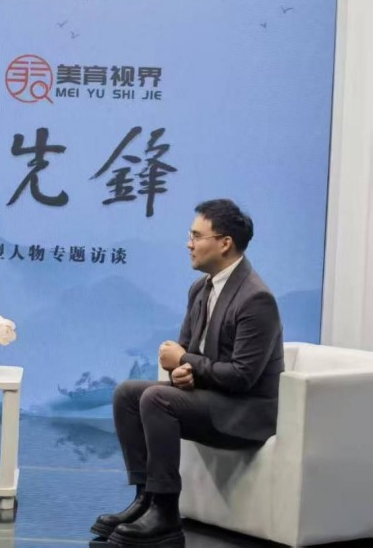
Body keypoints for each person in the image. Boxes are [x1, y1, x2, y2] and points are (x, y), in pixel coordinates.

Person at [91, 199, 284, 548]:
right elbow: (188, 354)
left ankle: (165, 514)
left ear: (225, 243)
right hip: (212, 398)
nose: (188, 244)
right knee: (127, 394)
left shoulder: (256, 299)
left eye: (196, 236)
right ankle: (145, 498)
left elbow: (243, 376)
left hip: (245, 412)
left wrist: (186, 362)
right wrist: (183, 370)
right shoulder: (201, 289)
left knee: (158, 398)